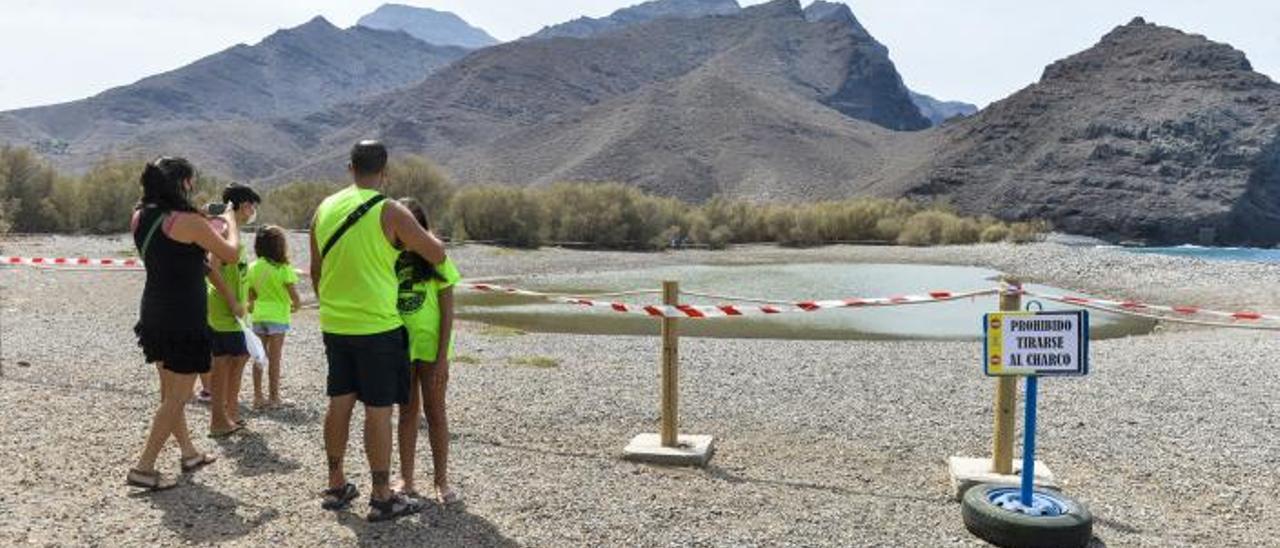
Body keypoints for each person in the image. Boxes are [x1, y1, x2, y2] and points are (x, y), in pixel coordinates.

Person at [311, 140, 447, 522]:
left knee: (339, 402)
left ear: (349, 167)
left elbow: (317, 269)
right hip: (378, 327)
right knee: (377, 411)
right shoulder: (390, 210)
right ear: (385, 173)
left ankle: (336, 484)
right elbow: (436, 254)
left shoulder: (324, 208)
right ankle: (383, 495)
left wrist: (334, 307)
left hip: (336, 324)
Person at [127, 157, 239, 490]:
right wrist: (230, 220)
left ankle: (188, 453)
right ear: (184, 183)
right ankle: (143, 468)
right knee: (178, 396)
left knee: (169, 392)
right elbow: (230, 254)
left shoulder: (140, 216)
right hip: (184, 317)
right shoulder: (186, 220)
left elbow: (177, 254)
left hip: (154, 310)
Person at [394, 198, 462, 505]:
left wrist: (442, 357)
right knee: (406, 413)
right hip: (399, 349)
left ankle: (441, 481)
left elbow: (448, 313)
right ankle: (406, 479)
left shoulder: (438, 259)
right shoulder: (391, 260)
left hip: (432, 350)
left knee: (435, 413)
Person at [207, 183, 261, 438]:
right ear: (242, 204)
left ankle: (231, 412)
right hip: (223, 309)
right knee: (224, 363)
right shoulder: (224, 227)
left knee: (239, 359)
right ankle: (220, 418)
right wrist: (231, 301)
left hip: (237, 312)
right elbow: (212, 267)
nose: (253, 210)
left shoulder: (235, 230)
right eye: (252, 204)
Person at [247, 225, 301, 409]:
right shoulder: (283, 268)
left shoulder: (253, 267)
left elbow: (251, 294)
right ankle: (274, 397)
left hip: (258, 316)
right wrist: (297, 305)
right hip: (278, 317)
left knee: (259, 357)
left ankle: (257, 397)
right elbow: (293, 294)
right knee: (275, 359)